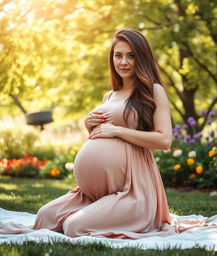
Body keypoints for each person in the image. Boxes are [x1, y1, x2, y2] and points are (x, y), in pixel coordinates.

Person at [0, 28, 178, 239]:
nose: (124, 62)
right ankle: (95, 210)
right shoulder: (109, 95)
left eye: (131, 56)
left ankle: (111, 214)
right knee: (44, 217)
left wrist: (118, 130)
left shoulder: (153, 91)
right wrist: (89, 125)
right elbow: (102, 139)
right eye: (118, 55)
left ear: (142, 57)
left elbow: (164, 140)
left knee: (75, 227)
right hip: (91, 194)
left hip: (131, 191)